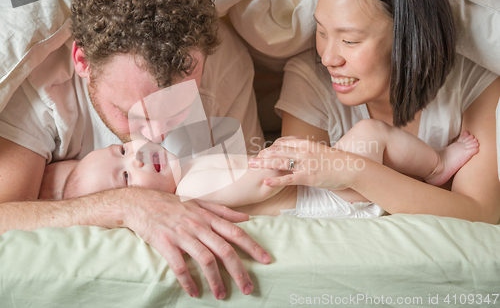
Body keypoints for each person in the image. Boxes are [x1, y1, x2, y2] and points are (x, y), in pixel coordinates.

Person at [0, 0, 268, 300]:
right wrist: (127, 205)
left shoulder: (223, 68)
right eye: (133, 113)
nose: (156, 134)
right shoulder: (41, 91)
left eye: (178, 108)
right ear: (83, 62)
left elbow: (255, 193)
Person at [251, 0, 500, 223]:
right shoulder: (309, 78)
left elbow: (480, 213)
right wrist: (435, 193)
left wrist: (354, 173)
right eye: (322, 32)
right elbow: (300, 196)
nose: (328, 58)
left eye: (350, 40)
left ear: (409, 37)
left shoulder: (475, 84)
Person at [61, 120, 480, 219]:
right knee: (372, 132)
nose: (133, 158)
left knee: (372, 140)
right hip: (325, 197)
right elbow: (257, 185)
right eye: (126, 177)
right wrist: (276, 162)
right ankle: (438, 164)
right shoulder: (189, 188)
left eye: (120, 150)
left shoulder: (187, 169)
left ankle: (425, 173)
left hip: (321, 181)